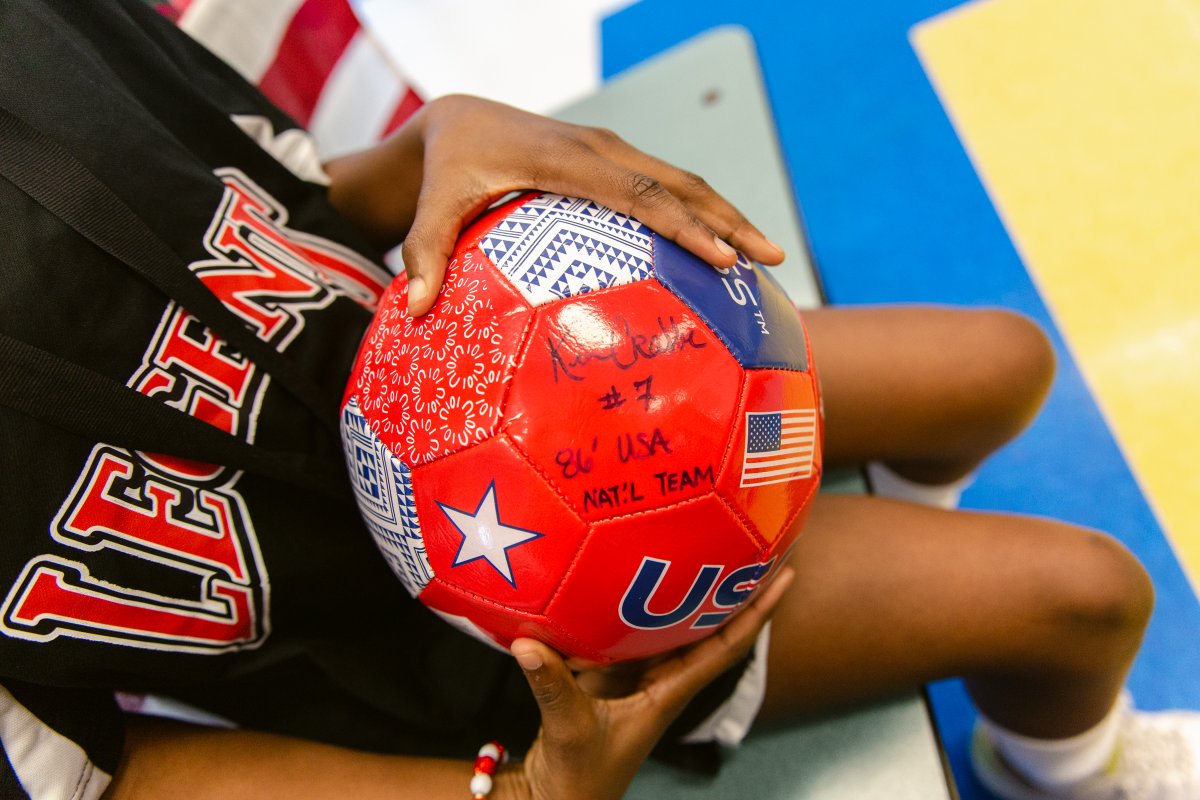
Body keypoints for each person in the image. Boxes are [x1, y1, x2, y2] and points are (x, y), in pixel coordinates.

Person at [0, 1, 1196, 799]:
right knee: (1085, 595)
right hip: (494, 639)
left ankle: (835, 508)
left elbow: (295, 191)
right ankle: (1067, 772)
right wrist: (518, 790)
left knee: (999, 362)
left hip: (526, 376)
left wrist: (447, 137)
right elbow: (116, 774)